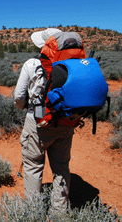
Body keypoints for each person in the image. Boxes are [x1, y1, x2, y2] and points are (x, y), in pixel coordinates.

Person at [13, 28, 75, 210]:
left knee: (33, 167)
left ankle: (34, 212)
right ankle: (60, 212)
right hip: (65, 121)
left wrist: (25, 106)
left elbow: (18, 97)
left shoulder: (31, 64)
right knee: (61, 168)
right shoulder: (72, 65)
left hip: (38, 122)